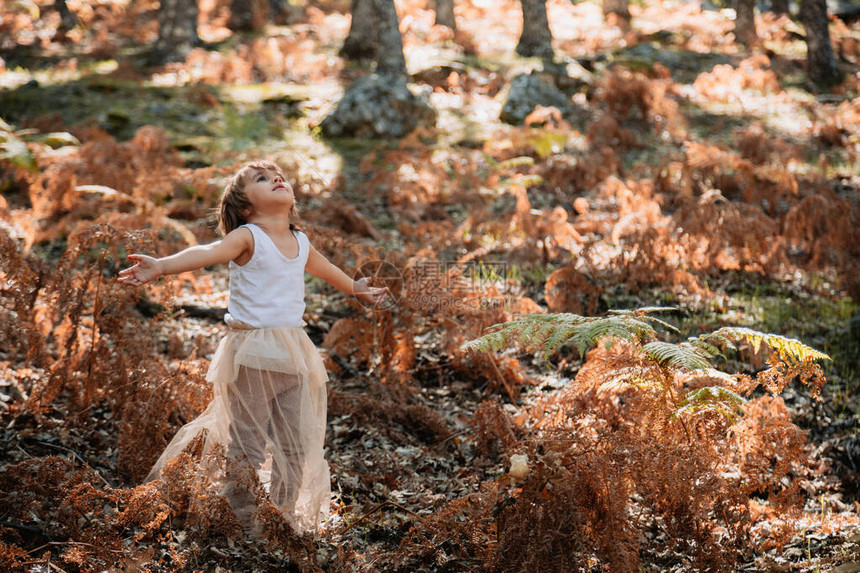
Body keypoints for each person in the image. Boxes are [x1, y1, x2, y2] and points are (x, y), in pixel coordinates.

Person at [118, 160, 387, 535]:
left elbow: (327, 270)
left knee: (296, 442)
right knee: (247, 443)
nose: (277, 179)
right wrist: (161, 266)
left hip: (294, 353)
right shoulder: (247, 236)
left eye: (279, 176)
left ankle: (282, 516)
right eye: (261, 179)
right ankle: (242, 520)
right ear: (245, 207)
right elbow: (207, 252)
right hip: (255, 355)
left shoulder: (301, 241)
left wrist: (358, 289)